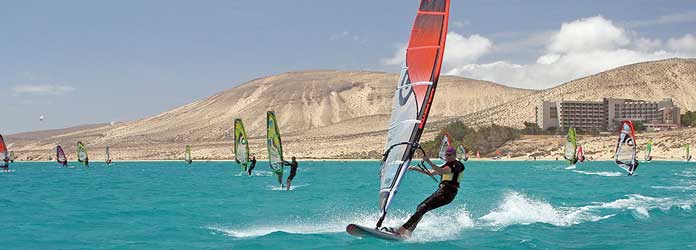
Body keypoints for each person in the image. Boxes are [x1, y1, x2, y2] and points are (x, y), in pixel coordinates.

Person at [385, 147, 464, 237]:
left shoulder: (456, 165)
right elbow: (431, 172)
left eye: (449, 155)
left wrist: (428, 161)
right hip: (442, 191)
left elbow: (441, 171)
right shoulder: (448, 165)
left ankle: (402, 229)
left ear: (455, 156)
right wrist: (416, 169)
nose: (447, 157)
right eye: (446, 155)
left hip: (448, 193)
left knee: (423, 207)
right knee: (420, 207)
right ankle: (409, 231)